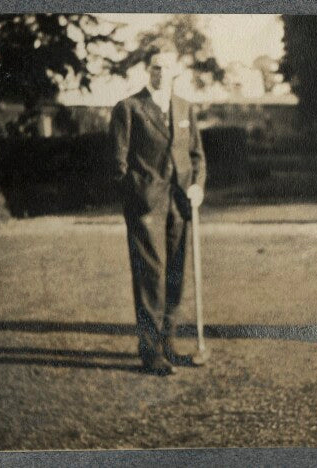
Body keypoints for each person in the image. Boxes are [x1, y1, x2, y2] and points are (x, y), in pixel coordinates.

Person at [110, 41, 207, 375]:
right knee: (150, 275)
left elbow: (196, 156)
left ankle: (168, 344)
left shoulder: (184, 108)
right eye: (155, 66)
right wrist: (138, 195)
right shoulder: (129, 108)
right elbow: (118, 164)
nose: (161, 72)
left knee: (176, 274)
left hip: (181, 203)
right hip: (146, 207)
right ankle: (151, 352)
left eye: (166, 66)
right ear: (147, 70)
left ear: (175, 70)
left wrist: (197, 186)